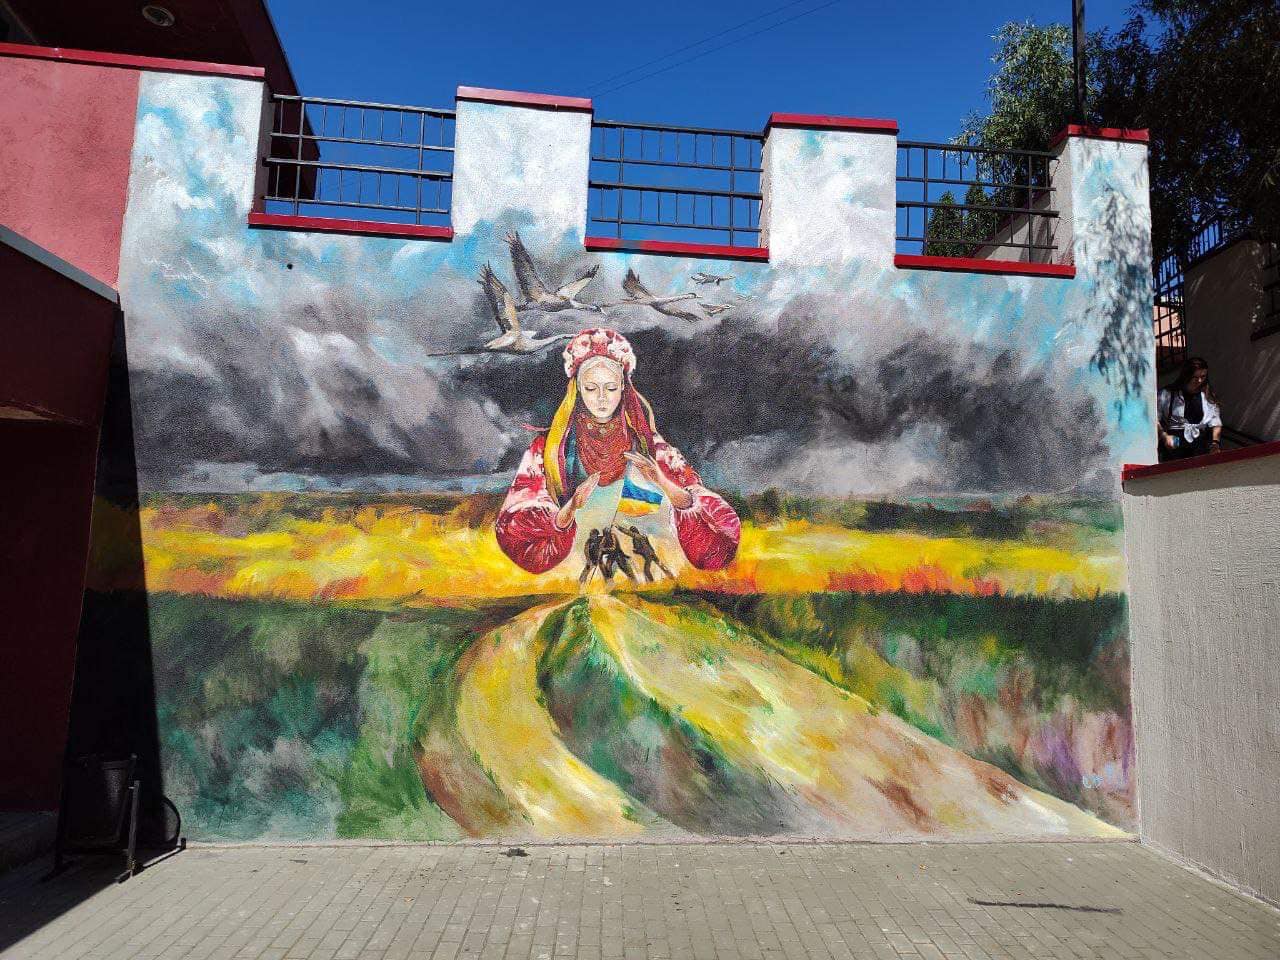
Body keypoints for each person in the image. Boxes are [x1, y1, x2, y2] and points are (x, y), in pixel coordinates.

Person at [495, 327, 741, 575]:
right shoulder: (549, 449)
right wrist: (569, 510)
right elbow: (517, 538)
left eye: (611, 388)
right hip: (571, 576)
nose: (601, 398)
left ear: (623, 388)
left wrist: (662, 482)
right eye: (591, 388)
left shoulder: (649, 446)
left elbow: (719, 543)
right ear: (577, 389)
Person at [1157, 357, 1222, 461]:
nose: (1199, 381)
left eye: (1203, 376)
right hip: (1175, 445)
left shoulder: (1207, 395)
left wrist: (1215, 443)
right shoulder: (1167, 393)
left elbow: (1216, 422)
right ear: (1186, 375)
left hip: (1200, 446)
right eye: (1195, 377)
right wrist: (1164, 436)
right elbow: (1155, 418)